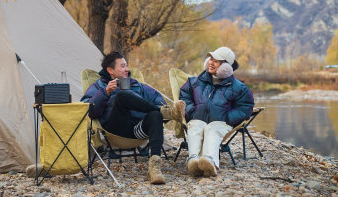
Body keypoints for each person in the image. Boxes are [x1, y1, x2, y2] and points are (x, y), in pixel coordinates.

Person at [82, 51, 185, 184]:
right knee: (122, 96)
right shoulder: (99, 86)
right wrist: (106, 92)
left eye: (126, 66)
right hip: (115, 131)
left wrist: (159, 108)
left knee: (155, 114)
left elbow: (157, 99)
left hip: (137, 130)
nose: (127, 69)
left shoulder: (137, 84)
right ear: (110, 70)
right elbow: (88, 110)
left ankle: (154, 168)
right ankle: (166, 112)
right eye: (123, 66)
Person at [179, 47, 254, 177]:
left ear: (226, 66)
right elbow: (184, 97)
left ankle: (211, 162)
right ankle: (193, 160)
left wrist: (226, 117)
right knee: (194, 126)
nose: (210, 63)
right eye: (210, 59)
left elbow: (245, 107)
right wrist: (192, 111)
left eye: (216, 61)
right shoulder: (194, 82)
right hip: (198, 118)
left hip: (220, 123)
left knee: (212, 129)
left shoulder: (239, 87)